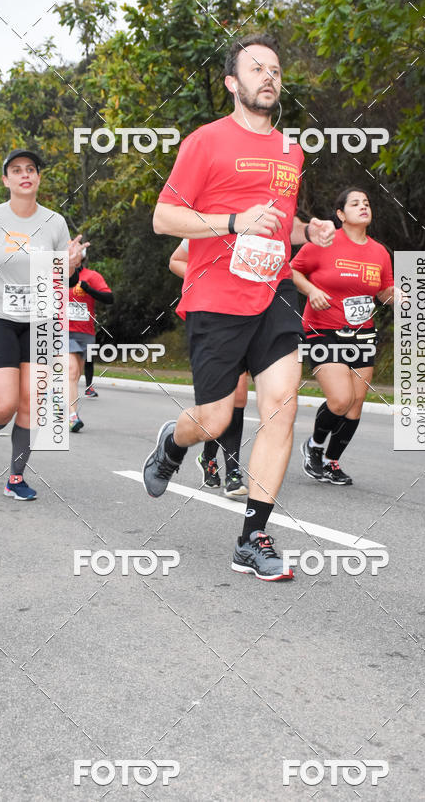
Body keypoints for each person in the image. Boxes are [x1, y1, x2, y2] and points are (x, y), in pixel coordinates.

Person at [142, 33, 335, 581]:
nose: (268, 76)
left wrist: (310, 230)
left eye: (275, 69)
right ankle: (170, 443)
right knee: (215, 417)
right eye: (256, 69)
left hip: (273, 293)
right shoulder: (205, 143)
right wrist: (230, 222)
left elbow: (283, 223)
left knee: (282, 407)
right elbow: (163, 219)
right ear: (232, 82)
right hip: (217, 296)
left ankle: (253, 537)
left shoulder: (290, 151)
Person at [0, 149, 86, 499]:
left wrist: (71, 264)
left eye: (30, 169)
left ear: (38, 178)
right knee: (4, 404)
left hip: (40, 322)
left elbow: (61, 276)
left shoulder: (55, 222)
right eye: (16, 170)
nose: (24, 174)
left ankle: (15, 479)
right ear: (6, 180)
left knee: (32, 403)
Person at [291, 187, 395, 485]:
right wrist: (312, 290)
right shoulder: (323, 243)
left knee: (356, 402)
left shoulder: (379, 251)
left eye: (367, 202)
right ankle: (313, 446)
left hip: (362, 334)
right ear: (340, 214)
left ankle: (331, 461)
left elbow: (383, 291)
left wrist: (397, 296)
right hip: (322, 331)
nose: (363, 206)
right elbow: (292, 271)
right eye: (355, 203)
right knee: (340, 400)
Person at [169, 239, 248, 497]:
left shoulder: (263, 227)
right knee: (220, 400)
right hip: (212, 316)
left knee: (238, 396)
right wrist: (207, 277)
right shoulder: (207, 225)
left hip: (248, 314)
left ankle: (228, 469)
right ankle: (220, 464)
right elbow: (176, 261)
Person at [68, 252, 113, 432]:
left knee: (75, 374)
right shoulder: (54, 274)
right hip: (60, 331)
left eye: (75, 254)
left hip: (85, 332)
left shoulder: (92, 276)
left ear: (82, 258)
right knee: (70, 372)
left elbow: (110, 298)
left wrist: (89, 290)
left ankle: (62, 404)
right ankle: (72, 416)